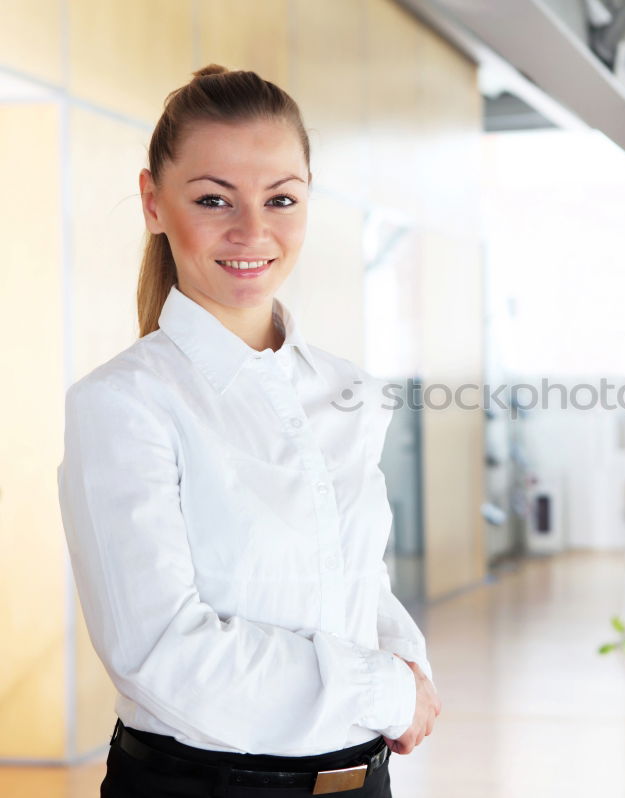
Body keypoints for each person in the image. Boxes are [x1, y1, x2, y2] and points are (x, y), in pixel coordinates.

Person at [56, 64, 441, 798]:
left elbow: (356, 575)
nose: (252, 232)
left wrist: (406, 662)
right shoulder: (123, 404)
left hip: (366, 782)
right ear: (153, 203)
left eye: (281, 199)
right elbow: (161, 653)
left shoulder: (347, 390)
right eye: (212, 199)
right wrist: (382, 691)